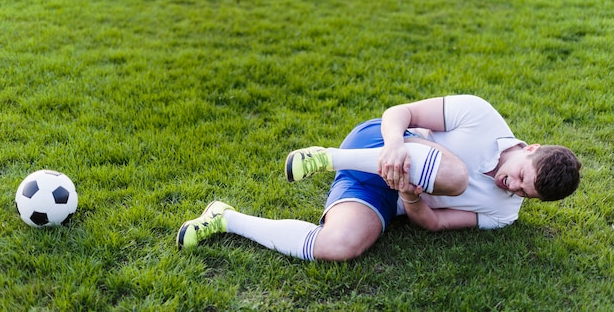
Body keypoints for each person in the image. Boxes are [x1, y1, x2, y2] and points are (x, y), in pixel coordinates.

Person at [176, 95, 581, 261]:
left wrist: (410, 196)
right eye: (519, 177)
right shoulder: (481, 114)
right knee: (455, 176)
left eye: (524, 194)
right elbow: (397, 113)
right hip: (380, 145)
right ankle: (326, 158)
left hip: (395, 191)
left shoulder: (504, 214)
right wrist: (393, 146)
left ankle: (225, 217)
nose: (511, 188)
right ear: (530, 148)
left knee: (340, 246)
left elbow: (434, 223)